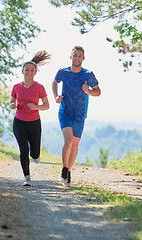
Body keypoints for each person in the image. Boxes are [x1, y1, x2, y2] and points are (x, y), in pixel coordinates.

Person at [51, 46, 101, 186]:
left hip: (80, 113)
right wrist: (56, 97)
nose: (77, 58)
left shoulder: (88, 74)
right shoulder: (63, 72)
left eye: (79, 56)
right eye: (75, 55)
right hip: (65, 110)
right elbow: (54, 82)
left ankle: (68, 171)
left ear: (83, 58)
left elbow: (98, 92)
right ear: (70, 56)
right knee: (68, 141)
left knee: (75, 145)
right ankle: (64, 169)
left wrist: (88, 90)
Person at [9, 50, 50, 186]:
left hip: (34, 123)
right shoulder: (16, 87)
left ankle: (36, 156)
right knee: (23, 150)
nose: (29, 72)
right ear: (22, 71)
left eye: (32, 70)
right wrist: (12, 105)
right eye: (27, 70)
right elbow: (11, 102)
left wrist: (36, 107)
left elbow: (46, 106)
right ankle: (26, 177)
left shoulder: (39, 87)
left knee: (34, 152)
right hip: (19, 122)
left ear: (35, 72)